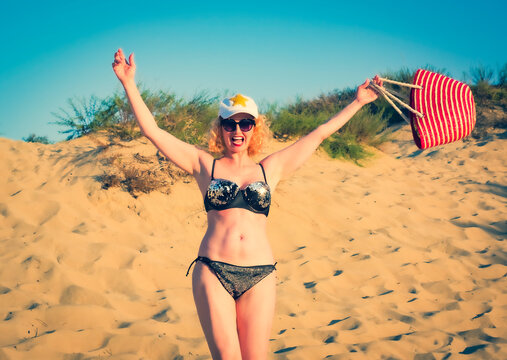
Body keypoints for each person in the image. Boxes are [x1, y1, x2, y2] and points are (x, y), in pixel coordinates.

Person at [112, 48, 382, 360]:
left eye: (245, 124)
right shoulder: (204, 165)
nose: (237, 131)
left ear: (254, 128)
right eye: (229, 124)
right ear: (220, 127)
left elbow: (319, 134)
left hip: (261, 275)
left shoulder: (271, 168)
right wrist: (129, 83)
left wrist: (358, 102)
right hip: (214, 270)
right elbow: (153, 131)